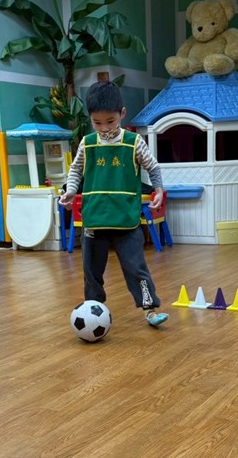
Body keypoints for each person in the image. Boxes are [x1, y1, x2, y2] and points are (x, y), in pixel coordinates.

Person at [60, 81, 169, 328]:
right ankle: (93, 309)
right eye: (97, 122)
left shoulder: (133, 142)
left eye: (110, 121)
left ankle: (150, 309)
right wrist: (71, 191)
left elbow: (153, 167)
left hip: (126, 220)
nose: (104, 128)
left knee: (136, 268)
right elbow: (75, 170)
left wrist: (158, 190)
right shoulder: (87, 143)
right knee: (91, 271)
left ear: (122, 113)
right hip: (94, 219)